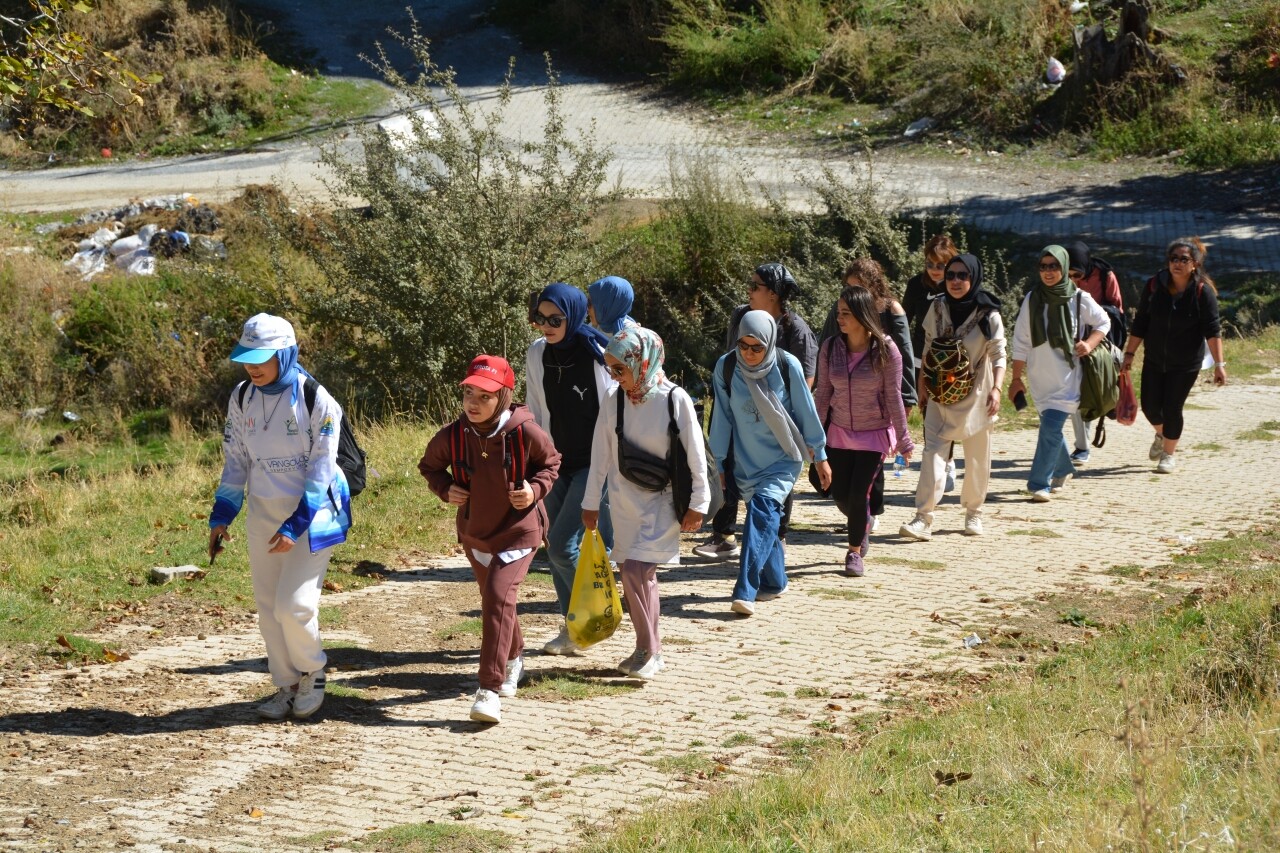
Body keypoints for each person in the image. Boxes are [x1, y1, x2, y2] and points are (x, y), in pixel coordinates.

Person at [208, 313, 352, 721]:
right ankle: (285, 684)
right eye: (247, 357)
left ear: (285, 354)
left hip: (313, 514)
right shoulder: (241, 397)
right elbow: (235, 461)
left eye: (262, 357)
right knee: (269, 608)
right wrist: (222, 515)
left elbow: (322, 469)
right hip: (263, 515)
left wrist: (295, 524)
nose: (252, 366)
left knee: (295, 606)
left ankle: (313, 671)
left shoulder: (315, 398)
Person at [418, 355, 561, 723]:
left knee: (497, 597)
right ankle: (514, 658)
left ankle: (488, 689)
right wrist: (444, 488)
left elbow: (551, 464)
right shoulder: (453, 434)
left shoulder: (524, 430)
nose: (473, 402)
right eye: (468, 393)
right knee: (497, 602)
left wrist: (534, 490)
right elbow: (429, 466)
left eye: (485, 395)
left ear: (504, 396)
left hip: (519, 530)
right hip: (475, 533)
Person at [581, 327, 710, 680]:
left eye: (619, 369)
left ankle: (649, 650)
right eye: (610, 369)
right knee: (633, 572)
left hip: (664, 501)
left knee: (637, 570)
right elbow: (601, 453)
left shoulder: (675, 399)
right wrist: (591, 502)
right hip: (624, 502)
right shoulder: (615, 399)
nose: (614, 377)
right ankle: (648, 648)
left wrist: (699, 502)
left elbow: (696, 456)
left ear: (642, 361)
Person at [694, 262, 818, 561]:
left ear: (773, 293)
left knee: (776, 480)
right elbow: (731, 362)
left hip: (778, 422)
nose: (748, 291)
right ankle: (724, 535)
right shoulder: (741, 316)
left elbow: (805, 379)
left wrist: (789, 420)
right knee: (728, 469)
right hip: (741, 411)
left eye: (755, 286)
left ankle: (777, 536)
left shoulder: (795, 328)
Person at [710, 310, 829, 616]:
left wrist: (820, 456)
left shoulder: (787, 366)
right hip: (746, 462)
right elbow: (722, 418)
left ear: (771, 343)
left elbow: (806, 412)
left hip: (783, 458)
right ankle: (775, 582)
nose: (749, 353)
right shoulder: (726, 367)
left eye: (757, 347)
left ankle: (745, 590)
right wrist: (718, 464)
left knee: (761, 514)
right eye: (744, 346)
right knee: (765, 523)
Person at [525, 282, 615, 656]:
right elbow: (536, 410)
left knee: (562, 547)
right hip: (556, 464)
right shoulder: (537, 354)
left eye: (555, 319)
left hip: (595, 465)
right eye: (539, 318)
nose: (546, 325)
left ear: (573, 315)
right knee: (555, 545)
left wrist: (606, 468)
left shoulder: (597, 355)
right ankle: (575, 627)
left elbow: (612, 415)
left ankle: (593, 619)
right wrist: (537, 462)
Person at [900, 254, 1006, 540]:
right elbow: (928, 348)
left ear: (973, 277)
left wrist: (997, 389)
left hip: (978, 396)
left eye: (962, 275)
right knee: (932, 453)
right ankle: (923, 517)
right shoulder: (937, 307)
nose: (956, 281)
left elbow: (999, 355)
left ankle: (974, 513)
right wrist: (922, 384)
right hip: (939, 392)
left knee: (976, 459)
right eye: (950, 276)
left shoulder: (988, 313)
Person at [814, 286, 914, 577]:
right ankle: (864, 521)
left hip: (874, 435)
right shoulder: (831, 348)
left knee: (859, 496)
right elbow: (822, 396)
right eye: (838, 312)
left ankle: (854, 552)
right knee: (841, 496)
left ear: (862, 315)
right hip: (839, 432)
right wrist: (814, 436)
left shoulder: (886, 349)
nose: (839, 318)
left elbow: (894, 397)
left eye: (846, 313)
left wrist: (905, 441)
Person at [1008, 246, 1110, 502]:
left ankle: (1038, 483)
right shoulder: (1032, 298)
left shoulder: (1078, 297)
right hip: (1039, 378)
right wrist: (1016, 378)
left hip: (1069, 378)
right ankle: (1064, 468)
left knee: (1051, 426)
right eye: (1043, 266)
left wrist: (1089, 343)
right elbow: (1021, 341)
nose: (1048, 272)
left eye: (1054, 266)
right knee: (1050, 428)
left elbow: (1103, 322)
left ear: (1064, 268)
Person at [1122, 237, 1226, 474]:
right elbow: (1141, 322)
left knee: (1172, 408)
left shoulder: (1202, 292)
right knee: (1149, 407)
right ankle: (1162, 434)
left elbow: (1213, 330)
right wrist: (1129, 353)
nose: (1177, 263)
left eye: (1183, 259)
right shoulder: (1154, 285)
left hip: (1186, 362)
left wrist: (1219, 364)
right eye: (1173, 259)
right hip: (1155, 358)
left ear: (1195, 264)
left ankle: (1168, 455)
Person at [903, 234, 960, 493]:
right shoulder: (916, 285)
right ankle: (937, 466)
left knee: (948, 412)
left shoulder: (957, 284)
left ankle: (948, 461)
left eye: (940, 265)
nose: (935, 270)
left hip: (951, 360)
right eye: (930, 264)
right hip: (921, 358)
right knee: (928, 413)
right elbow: (903, 320)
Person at [1065, 241, 1124, 464]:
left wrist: (1091, 310)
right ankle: (1081, 446)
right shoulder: (1055, 282)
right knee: (1078, 393)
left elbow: (1117, 311)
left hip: (1100, 339)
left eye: (1077, 274)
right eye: (1068, 274)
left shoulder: (1105, 275)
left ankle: (1085, 442)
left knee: (1090, 388)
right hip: (1072, 343)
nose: (1073, 280)